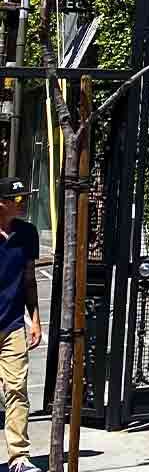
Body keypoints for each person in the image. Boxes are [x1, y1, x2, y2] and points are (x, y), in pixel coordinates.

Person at [0, 179, 39, 472]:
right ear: (2, 203)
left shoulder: (27, 233)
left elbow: (29, 278)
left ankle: (18, 457)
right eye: (17, 198)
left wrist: (35, 319)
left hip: (12, 324)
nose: (23, 202)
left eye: (24, 197)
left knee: (17, 389)